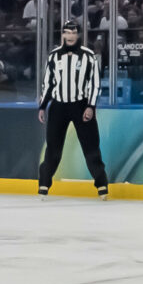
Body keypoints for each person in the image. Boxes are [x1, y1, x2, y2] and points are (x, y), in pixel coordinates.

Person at [37, 21, 108, 198]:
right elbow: (48, 83)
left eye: (73, 32)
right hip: (58, 106)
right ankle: (44, 184)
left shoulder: (88, 56)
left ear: (78, 35)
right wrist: (43, 106)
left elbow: (95, 83)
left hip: (81, 105)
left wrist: (90, 106)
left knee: (91, 147)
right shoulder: (53, 56)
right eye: (67, 32)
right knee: (53, 148)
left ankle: (101, 184)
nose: (70, 36)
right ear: (62, 34)